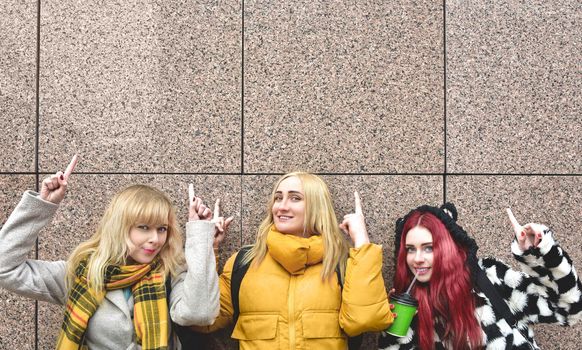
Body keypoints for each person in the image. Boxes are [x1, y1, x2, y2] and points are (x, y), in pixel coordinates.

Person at [0, 155, 220, 349]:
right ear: (120, 227)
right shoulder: (81, 274)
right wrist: (42, 205)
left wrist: (200, 233)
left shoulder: (170, 271)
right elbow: (5, 268)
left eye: (162, 229)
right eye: (144, 227)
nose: (155, 239)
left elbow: (200, 314)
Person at [193, 171, 394, 349]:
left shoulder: (343, 263)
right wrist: (207, 246)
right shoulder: (244, 262)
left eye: (295, 198)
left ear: (317, 207)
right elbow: (202, 320)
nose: (282, 206)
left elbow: (365, 320)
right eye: (278, 198)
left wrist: (361, 240)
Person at [378, 203, 582, 350]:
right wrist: (393, 324)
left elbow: (569, 311)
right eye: (410, 250)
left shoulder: (490, 279)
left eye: (429, 248)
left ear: (449, 248)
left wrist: (543, 254)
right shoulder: (411, 309)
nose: (417, 259)